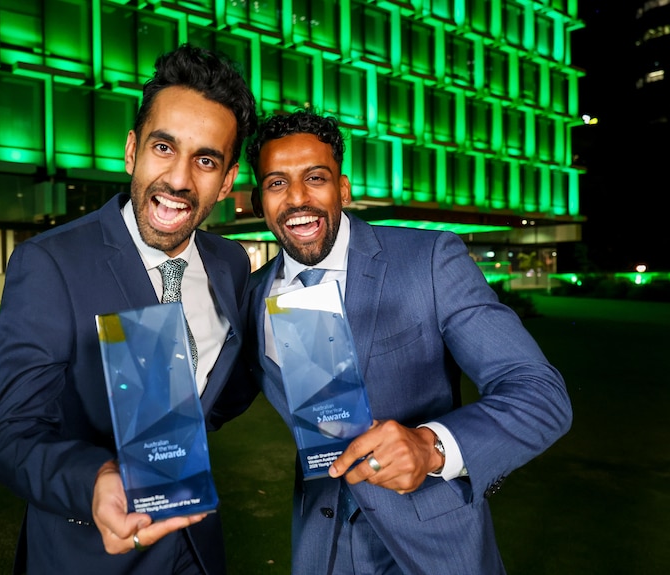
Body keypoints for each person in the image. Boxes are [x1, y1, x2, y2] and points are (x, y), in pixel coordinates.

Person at [214, 109, 572, 574]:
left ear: (343, 188)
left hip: (435, 549)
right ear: (260, 197)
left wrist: (432, 447)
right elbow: (215, 402)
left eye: (315, 178)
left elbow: (539, 393)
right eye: (277, 183)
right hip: (323, 550)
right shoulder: (253, 295)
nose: (297, 198)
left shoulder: (428, 260)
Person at [0, 44, 257, 575]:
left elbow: (224, 386)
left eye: (205, 160)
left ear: (226, 182)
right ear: (132, 151)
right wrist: (96, 479)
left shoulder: (230, 264)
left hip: (198, 549)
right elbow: (9, 434)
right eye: (163, 147)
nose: (178, 180)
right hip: (89, 555)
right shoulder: (50, 264)